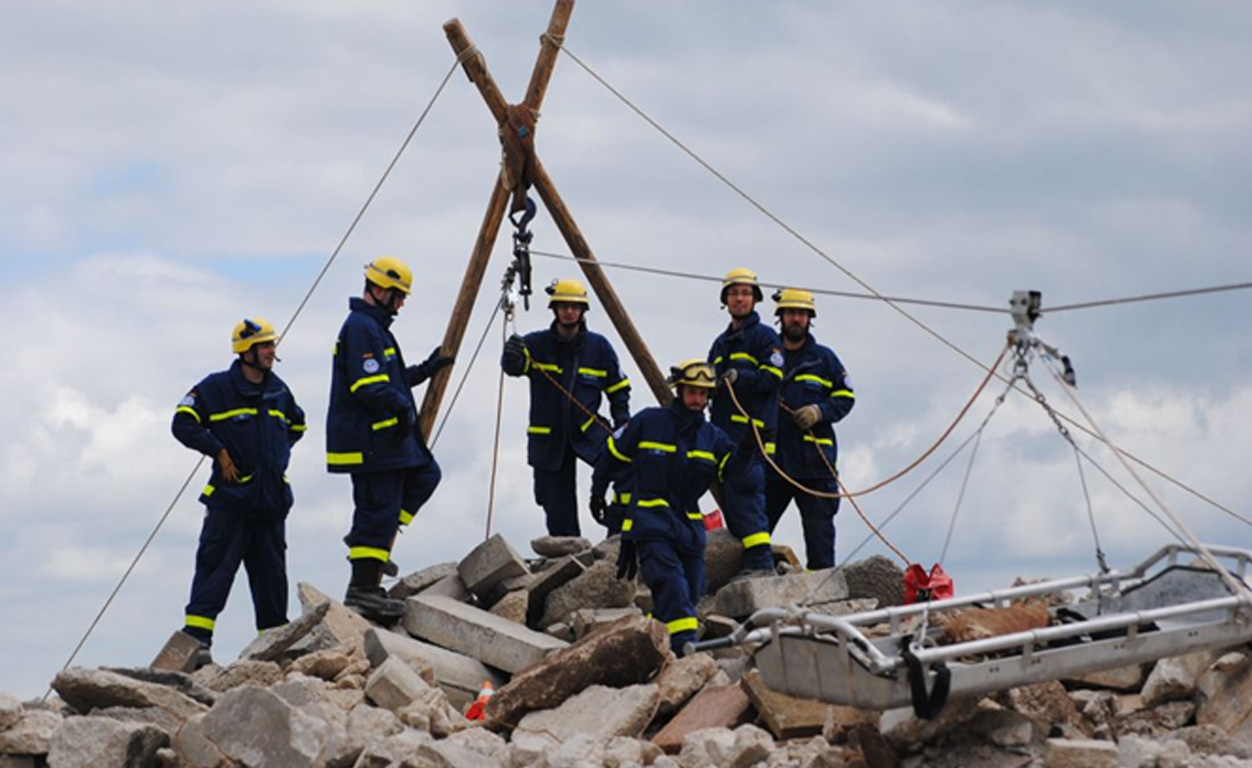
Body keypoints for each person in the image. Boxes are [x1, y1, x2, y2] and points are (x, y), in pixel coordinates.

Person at [171, 317, 306, 667]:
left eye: (272, 345)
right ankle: (197, 645)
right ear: (245, 351)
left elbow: (298, 424)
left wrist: (275, 460)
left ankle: (274, 651)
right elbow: (182, 421)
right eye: (265, 345)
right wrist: (217, 448)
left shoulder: (279, 390)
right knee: (214, 570)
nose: (272, 351)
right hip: (230, 503)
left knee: (272, 581)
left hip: (270, 504)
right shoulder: (216, 388)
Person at [326, 255, 453, 622]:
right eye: (397, 295)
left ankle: (373, 547)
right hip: (370, 443)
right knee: (377, 509)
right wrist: (400, 406)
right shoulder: (361, 327)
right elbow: (369, 386)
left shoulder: (376, 328)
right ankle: (363, 588)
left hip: (387, 443)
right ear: (379, 289)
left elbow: (389, 379)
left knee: (425, 476)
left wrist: (425, 371)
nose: (400, 303)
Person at [591, 360, 737, 654]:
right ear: (680, 390)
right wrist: (598, 493)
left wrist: (746, 453)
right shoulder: (649, 421)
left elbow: (738, 472)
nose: (698, 400)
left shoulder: (712, 436)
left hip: (689, 528)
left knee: (692, 591)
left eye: (704, 394)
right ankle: (686, 651)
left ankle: (650, 637)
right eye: (693, 392)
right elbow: (610, 456)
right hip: (651, 523)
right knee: (671, 586)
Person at [502, 278, 631, 537]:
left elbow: (618, 389)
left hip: (588, 431)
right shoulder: (536, 344)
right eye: (563, 306)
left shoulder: (599, 347)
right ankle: (566, 554)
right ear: (555, 309)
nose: (569, 311)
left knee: (628, 469)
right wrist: (511, 356)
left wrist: (623, 427)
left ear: (583, 310)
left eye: (574, 306)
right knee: (554, 499)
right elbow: (513, 367)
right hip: (549, 437)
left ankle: (618, 538)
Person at [765, 289, 856, 570]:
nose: (796, 319)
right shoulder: (767, 354)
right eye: (791, 313)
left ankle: (823, 605)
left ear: (809, 319)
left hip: (814, 466)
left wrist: (820, 411)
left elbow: (846, 397)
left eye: (801, 314)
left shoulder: (824, 359)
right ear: (780, 317)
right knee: (754, 534)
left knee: (820, 543)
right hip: (773, 464)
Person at [707, 267, 783, 578]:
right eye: (734, 293)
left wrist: (742, 376)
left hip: (752, 435)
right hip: (724, 435)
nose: (740, 299)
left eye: (745, 293)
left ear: (755, 300)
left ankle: (760, 563)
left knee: (747, 494)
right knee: (734, 498)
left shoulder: (765, 338)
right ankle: (752, 561)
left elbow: (774, 377)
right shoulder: (721, 343)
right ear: (726, 300)